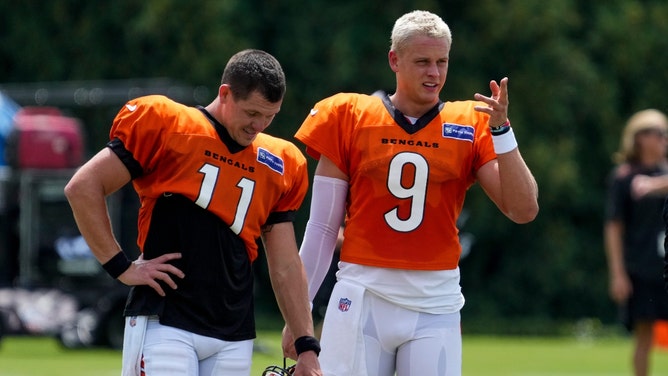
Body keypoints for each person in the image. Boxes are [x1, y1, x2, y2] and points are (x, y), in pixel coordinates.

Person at [282, 10, 539, 376]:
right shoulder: (349, 114)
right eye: (422, 62)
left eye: (441, 61)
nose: (434, 73)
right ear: (394, 60)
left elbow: (523, 208)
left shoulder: (471, 121)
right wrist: (300, 311)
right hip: (362, 290)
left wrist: (502, 132)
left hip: (435, 300)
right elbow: (322, 228)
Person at [64, 49, 321, 376]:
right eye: (252, 112)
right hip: (166, 319)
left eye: (269, 116)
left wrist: (306, 343)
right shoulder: (169, 124)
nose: (259, 125)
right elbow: (83, 187)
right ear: (225, 93)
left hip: (234, 330)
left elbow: (285, 263)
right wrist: (121, 267)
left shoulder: (281, 161)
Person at [604, 108, 668, 376]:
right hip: (641, 267)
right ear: (640, 137)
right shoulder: (624, 177)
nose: (665, 139)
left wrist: (654, 186)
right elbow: (613, 227)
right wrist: (618, 273)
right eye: (660, 133)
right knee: (643, 334)